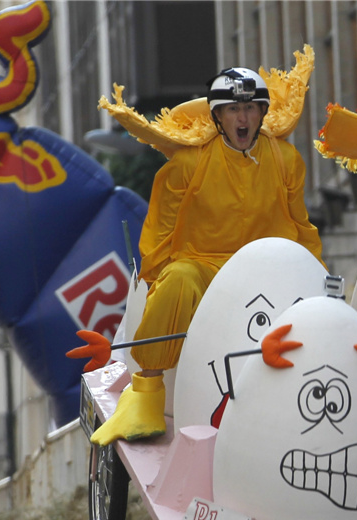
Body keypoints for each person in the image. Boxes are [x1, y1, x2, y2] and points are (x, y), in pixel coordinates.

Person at [90, 67, 323, 446]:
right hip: (202, 266)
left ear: (263, 113)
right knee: (178, 278)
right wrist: (158, 284)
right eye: (232, 109)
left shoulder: (286, 159)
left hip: (268, 270)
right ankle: (146, 393)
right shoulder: (187, 164)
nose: (243, 118)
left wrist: (316, 279)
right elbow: (158, 237)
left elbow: (301, 228)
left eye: (250, 108)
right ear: (217, 115)